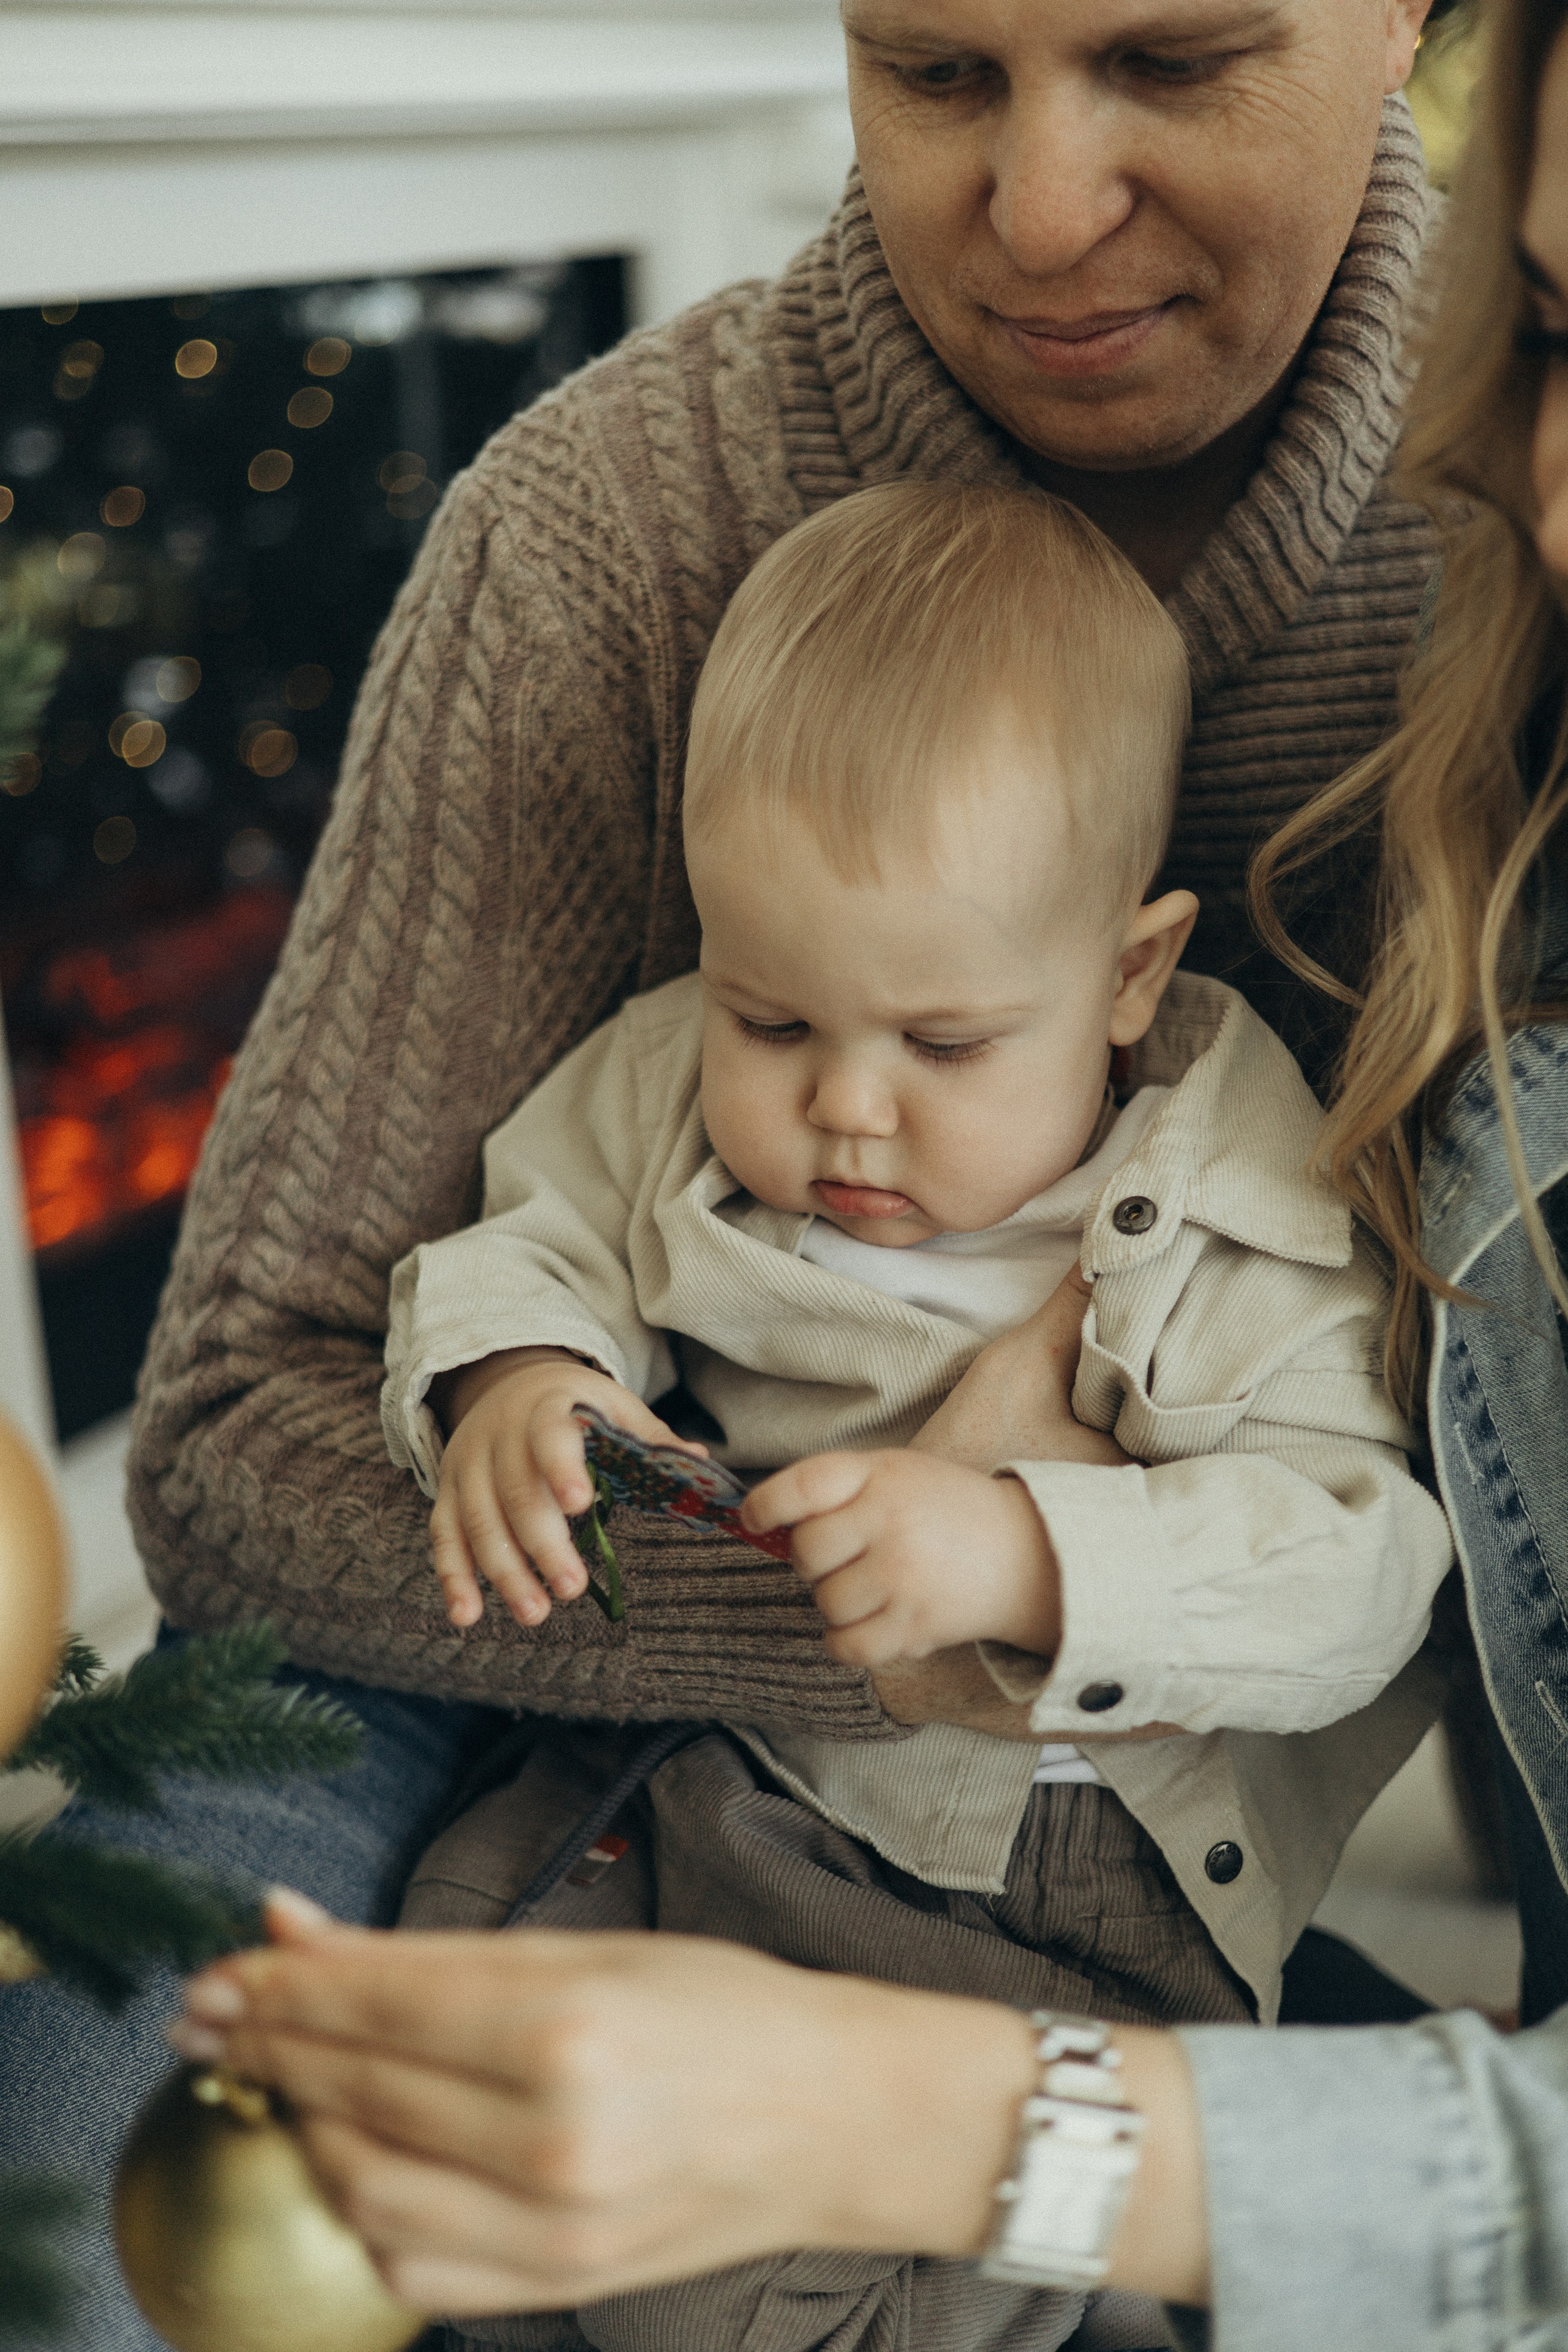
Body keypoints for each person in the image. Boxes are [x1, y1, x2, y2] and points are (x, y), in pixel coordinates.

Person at [0, 1, 1439, 2342]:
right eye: (935, 71)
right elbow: (263, 1413)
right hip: (523, 1687)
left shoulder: (1526, 510)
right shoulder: (599, 537)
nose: (1044, 207)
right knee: (91, 2236)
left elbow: (1393, 1530)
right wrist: (630, 1459)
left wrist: (1023, 1573)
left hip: (1094, 1791)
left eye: (1172, 62)